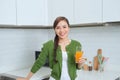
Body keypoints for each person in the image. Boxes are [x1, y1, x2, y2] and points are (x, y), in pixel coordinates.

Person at [16, 16, 85, 80]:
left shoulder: (77, 44)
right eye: (58, 28)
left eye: (64, 27)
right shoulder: (48, 45)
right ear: (54, 30)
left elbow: (78, 67)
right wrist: (27, 78)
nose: (61, 30)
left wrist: (80, 64)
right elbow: (39, 62)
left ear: (68, 28)